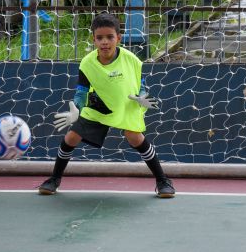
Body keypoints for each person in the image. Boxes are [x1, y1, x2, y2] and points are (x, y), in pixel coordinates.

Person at [37, 13, 176, 198]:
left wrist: (142, 96)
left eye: (110, 37)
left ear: (118, 38)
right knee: (71, 137)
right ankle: (54, 179)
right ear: (93, 39)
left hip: (126, 104)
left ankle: (162, 180)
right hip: (99, 104)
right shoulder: (87, 63)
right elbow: (81, 91)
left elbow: (140, 84)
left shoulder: (131, 59)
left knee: (134, 137)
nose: (105, 42)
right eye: (99, 37)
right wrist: (76, 110)